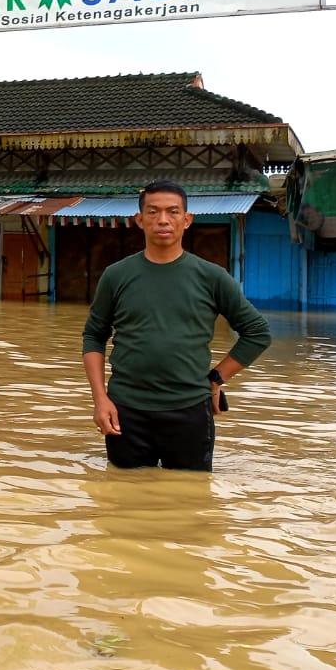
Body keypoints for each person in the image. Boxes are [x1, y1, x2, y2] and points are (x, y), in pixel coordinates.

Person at [82, 180, 271, 472]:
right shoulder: (116, 276)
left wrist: (216, 378)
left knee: (191, 499)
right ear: (139, 219)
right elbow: (94, 336)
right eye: (153, 212)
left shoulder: (212, 277)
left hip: (190, 411)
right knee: (122, 498)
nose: (162, 220)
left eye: (172, 212)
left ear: (187, 219)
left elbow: (257, 333)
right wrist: (100, 399)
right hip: (125, 410)